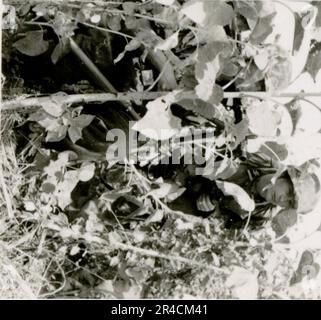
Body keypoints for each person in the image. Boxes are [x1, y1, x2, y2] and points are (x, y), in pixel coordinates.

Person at [169, 152, 320, 223]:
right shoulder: (264, 162)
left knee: (174, 212)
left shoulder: (263, 214)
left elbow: (225, 225)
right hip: (202, 167)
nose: (282, 200)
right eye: (288, 192)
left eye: (288, 203)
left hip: (199, 202)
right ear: (284, 176)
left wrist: (211, 211)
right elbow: (225, 150)